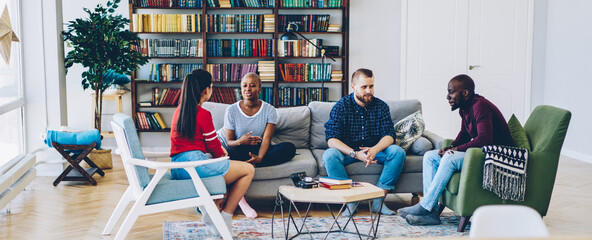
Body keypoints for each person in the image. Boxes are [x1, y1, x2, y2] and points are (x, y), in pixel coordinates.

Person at [398, 74, 513, 225]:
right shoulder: (464, 109)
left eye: (451, 92)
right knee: (430, 156)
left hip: (496, 155)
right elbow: (465, 133)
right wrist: (451, 147)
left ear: (465, 93)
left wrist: (455, 150)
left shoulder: (480, 106)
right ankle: (431, 212)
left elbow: (485, 139)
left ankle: (424, 207)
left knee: (450, 157)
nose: (447, 96)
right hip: (481, 153)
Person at [170, 69, 255, 236]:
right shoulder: (203, 113)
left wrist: (220, 154)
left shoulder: (179, 110)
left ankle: (214, 212)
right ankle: (226, 216)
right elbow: (215, 149)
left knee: (226, 171)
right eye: (211, 87)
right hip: (196, 166)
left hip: (178, 168)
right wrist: (223, 154)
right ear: (206, 90)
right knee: (248, 170)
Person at [323, 68, 406, 217]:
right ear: (353, 87)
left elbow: (389, 135)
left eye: (371, 86)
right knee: (329, 155)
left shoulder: (381, 106)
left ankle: (378, 200)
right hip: (349, 152)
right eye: (364, 87)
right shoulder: (341, 107)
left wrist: (374, 149)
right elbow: (331, 140)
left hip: (375, 150)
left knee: (397, 152)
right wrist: (355, 154)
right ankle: (350, 200)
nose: (369, 91)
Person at [222, 72, 297, 218]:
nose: (248, 89)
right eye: (244, 85)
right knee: (227, 152)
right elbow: (230, 141)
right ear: (241, 88)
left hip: (260, 149)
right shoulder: (231, 110)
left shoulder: (269, 110)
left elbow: (267, 139)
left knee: (289, 148)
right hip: (238, 148)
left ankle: (247, 165)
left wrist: (260, 158)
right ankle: (241, 201)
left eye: (252, 85)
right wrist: (241, 141)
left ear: (260, 89)